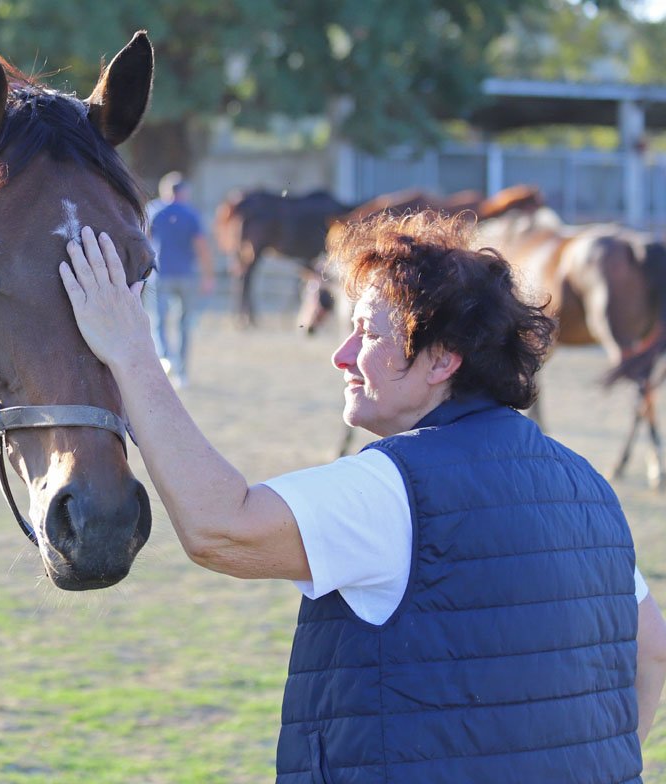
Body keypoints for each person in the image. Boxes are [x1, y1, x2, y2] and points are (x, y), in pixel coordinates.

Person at [59, 212, 666, 782]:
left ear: (442, 360)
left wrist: (130, 351)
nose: (341, 354)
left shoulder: (394, 488)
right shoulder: (588, 486)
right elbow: (654, 652)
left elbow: (219, 526)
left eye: (368, 333)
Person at [147, 172, 215, 388]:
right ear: (183, 192)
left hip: (160, 275)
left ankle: (166, 361)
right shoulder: (191, 214)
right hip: (187, 276)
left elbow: (143, 241)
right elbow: (202, 247)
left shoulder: (153, 212)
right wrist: (208, 276)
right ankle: (182, 372)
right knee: (184, 324)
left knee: (159, 322)